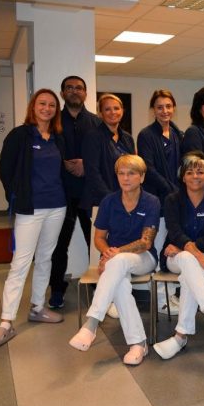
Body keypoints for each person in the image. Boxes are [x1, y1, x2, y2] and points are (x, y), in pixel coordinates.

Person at [0, 89, 67, 349]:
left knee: (45, 258)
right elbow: (5, 169)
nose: (47, 108)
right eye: (42, 103)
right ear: (33, 106)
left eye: (52, 105)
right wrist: (16, 196)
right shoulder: (20, 135)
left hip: (57, 206)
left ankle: (37, 307)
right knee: (20, 263)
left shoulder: (58, 138)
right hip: (30, 209)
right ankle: (6, 322)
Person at [69, 155, 160, 366]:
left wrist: (114, 254)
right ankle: (138, 344)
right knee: (120, 284)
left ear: (142, 177)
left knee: (117, 263)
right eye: (121, 173)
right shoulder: (108, 201)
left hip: (144, 259)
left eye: (131, 173)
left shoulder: (151, 201)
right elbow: (99, 238)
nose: (125, 178)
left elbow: (145, 243)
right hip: (115, 261)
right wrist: (107, 252)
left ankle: (91, 324)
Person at [153, 152, 204, 360]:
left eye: (200, 172)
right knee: (189, 261)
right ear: (183, 177)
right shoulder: (172, 200)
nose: (195, 176)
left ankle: (180, 336)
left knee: (189, 273)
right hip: (176, 257)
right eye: (189, 172)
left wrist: (188, 249)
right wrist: (195, 254)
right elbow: (174, 231)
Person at [48, 76, 100, 309]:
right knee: (59, 244)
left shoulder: (96, 122)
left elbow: (103, 155)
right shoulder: (53, 121)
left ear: (85, 93)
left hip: (90, 193)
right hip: (62, 193)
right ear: (62, 93)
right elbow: (46, 153)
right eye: (69, 88)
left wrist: (85, 164)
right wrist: (64, 163)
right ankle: (57, 289)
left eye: (79, 88)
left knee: (96, 244)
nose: (74, 91)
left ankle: (99, 285)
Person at [81, 93, 135, 212]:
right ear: (100, 113)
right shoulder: (93, 137)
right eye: (107, 109)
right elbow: (92, 173)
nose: (113, 112)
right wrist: (112, 199)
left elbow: (133, 169)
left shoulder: (128, 138)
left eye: (116, 108)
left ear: (122, 111)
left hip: (125, 200)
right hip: (101, 201)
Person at [137, 89, 183, 205]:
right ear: (153, 110)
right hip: (156, 197)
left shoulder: (179, 135)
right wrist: (173, 190)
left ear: (174, 108)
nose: (165, 111)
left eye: (168, 106)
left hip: (177, 197)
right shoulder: (145, 135)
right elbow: (149, 169)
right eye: (160, 107)